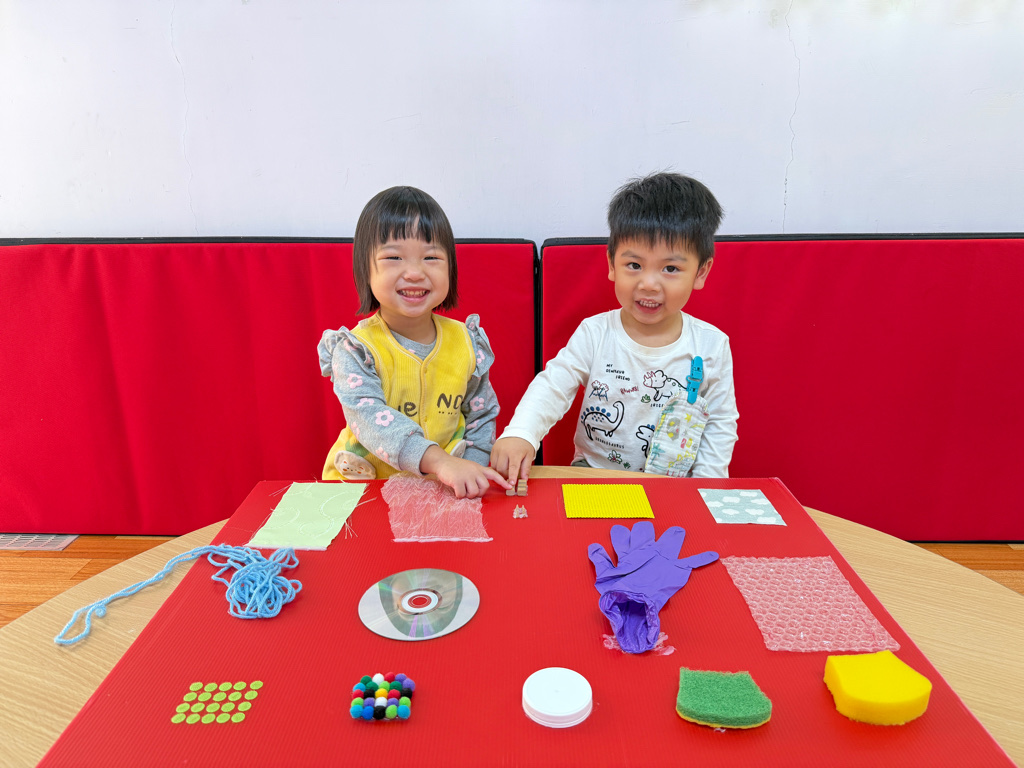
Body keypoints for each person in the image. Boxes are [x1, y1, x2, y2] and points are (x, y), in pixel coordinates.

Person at [491, 172, 738, 484]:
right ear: (611, 264)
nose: (649, 284)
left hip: (675, 486)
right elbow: (554, 385)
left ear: (701, 272)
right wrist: (521, 432)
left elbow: (720, 423)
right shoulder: (595, 333)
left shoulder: (711, 345)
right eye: (634, 265)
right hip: (594, 475)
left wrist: (707, 486)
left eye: (670, 268)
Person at [319, 186, 510, 498]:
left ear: (451, 267)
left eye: (431, 257)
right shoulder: (355, 349)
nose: (414, 273)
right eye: (393, 257)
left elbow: (482, 414)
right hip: (363, 493)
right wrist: (441, 462)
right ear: (365, 268)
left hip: (440, 491)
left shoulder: (466, 342)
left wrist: (470, 470)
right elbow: (369, 417)